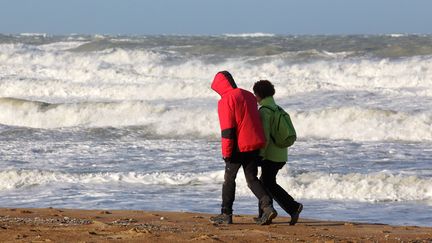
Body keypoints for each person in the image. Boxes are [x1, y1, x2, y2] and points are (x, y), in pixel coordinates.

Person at [210, 71, 277, 225]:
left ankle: (226, 214)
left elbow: (228, 130)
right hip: (254, 144)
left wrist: (227, 153)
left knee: (229, 179)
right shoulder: (248, 95)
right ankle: (267, 207)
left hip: (237, 146)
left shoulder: (226, 100)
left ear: (219, 86)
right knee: (252, 179)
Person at [253, 80, 303, 225]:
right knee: (266, 182)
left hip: (270, 155)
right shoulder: (278, 109)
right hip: (281, 154)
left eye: (255, 94)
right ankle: (264, 215)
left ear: (259, 95)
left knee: (267, 183)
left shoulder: (264, 111)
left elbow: (265, 136)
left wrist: (260, 154)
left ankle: (293, 207)